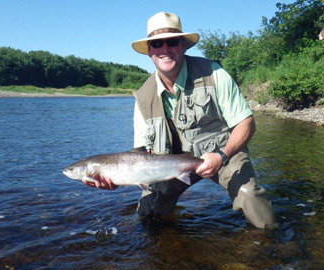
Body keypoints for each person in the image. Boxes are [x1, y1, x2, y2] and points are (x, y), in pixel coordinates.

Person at [83, 12, 277, 229]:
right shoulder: (143, 97)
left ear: (183, 44)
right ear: (150, 51)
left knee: (250, 196)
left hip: (222, 153)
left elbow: (246, 123)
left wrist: (222, 156)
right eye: (157, 43)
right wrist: (116, 180)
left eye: (172, 41)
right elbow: (139, 155)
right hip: (170, 166)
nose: (165, 49)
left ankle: (272, 245)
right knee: (149, 213)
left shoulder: (214, 73)